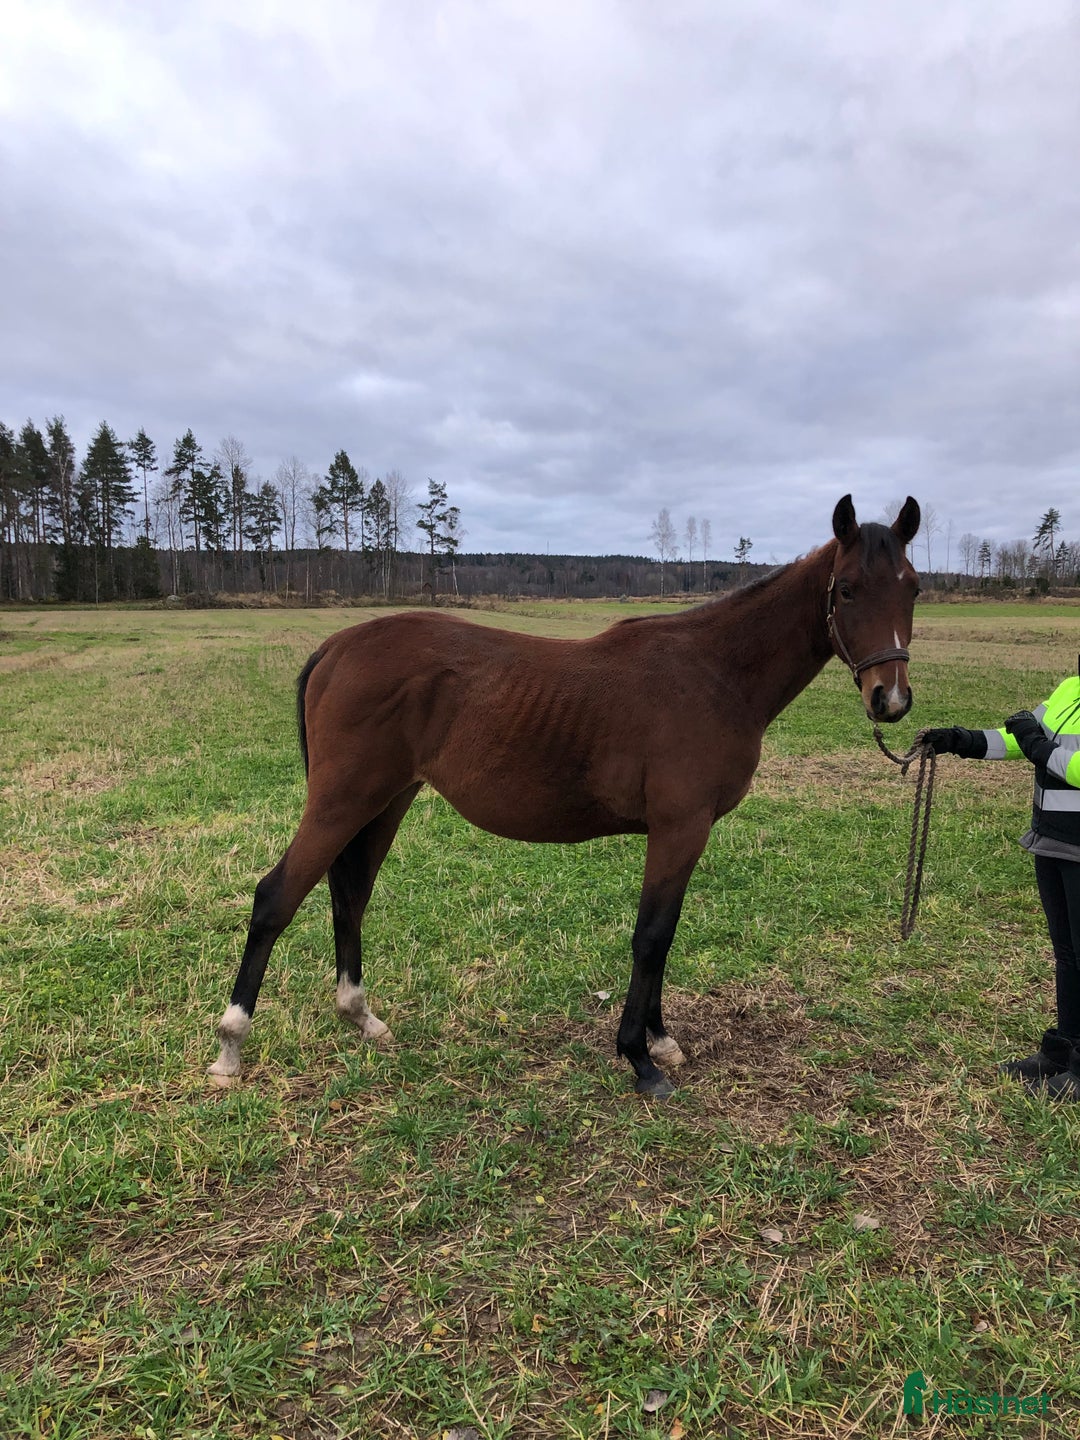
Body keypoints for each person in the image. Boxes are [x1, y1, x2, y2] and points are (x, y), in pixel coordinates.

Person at [920, 664, 1080, 1099]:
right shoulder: (1069, 688)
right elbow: (1016, 738)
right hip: (1051, 841)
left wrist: (1036, 745)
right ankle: (1064, 1053)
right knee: (1067, 956)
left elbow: (1058, 756)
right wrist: (960, 741)